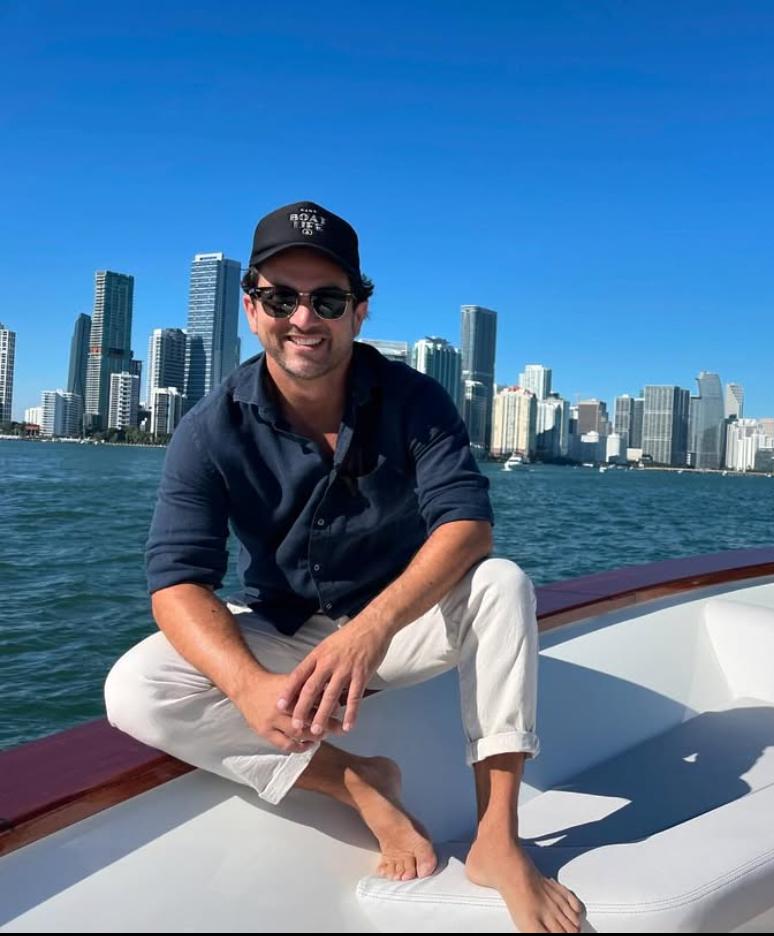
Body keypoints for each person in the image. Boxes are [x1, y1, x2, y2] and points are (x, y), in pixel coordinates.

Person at [105, 201, 582, 933]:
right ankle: (356, 777)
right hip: (290, 631)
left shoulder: (414, 398)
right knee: (136, 686)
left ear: (359, 310)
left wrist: (371, 630)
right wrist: (249, 685)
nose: (303, 318)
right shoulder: (209, 429)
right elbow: (177, 581)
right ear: (251, 307)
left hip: (401, 625)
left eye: (327, 299)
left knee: (501, 583)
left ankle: (497, 841)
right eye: (281, 298)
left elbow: (467, 525)